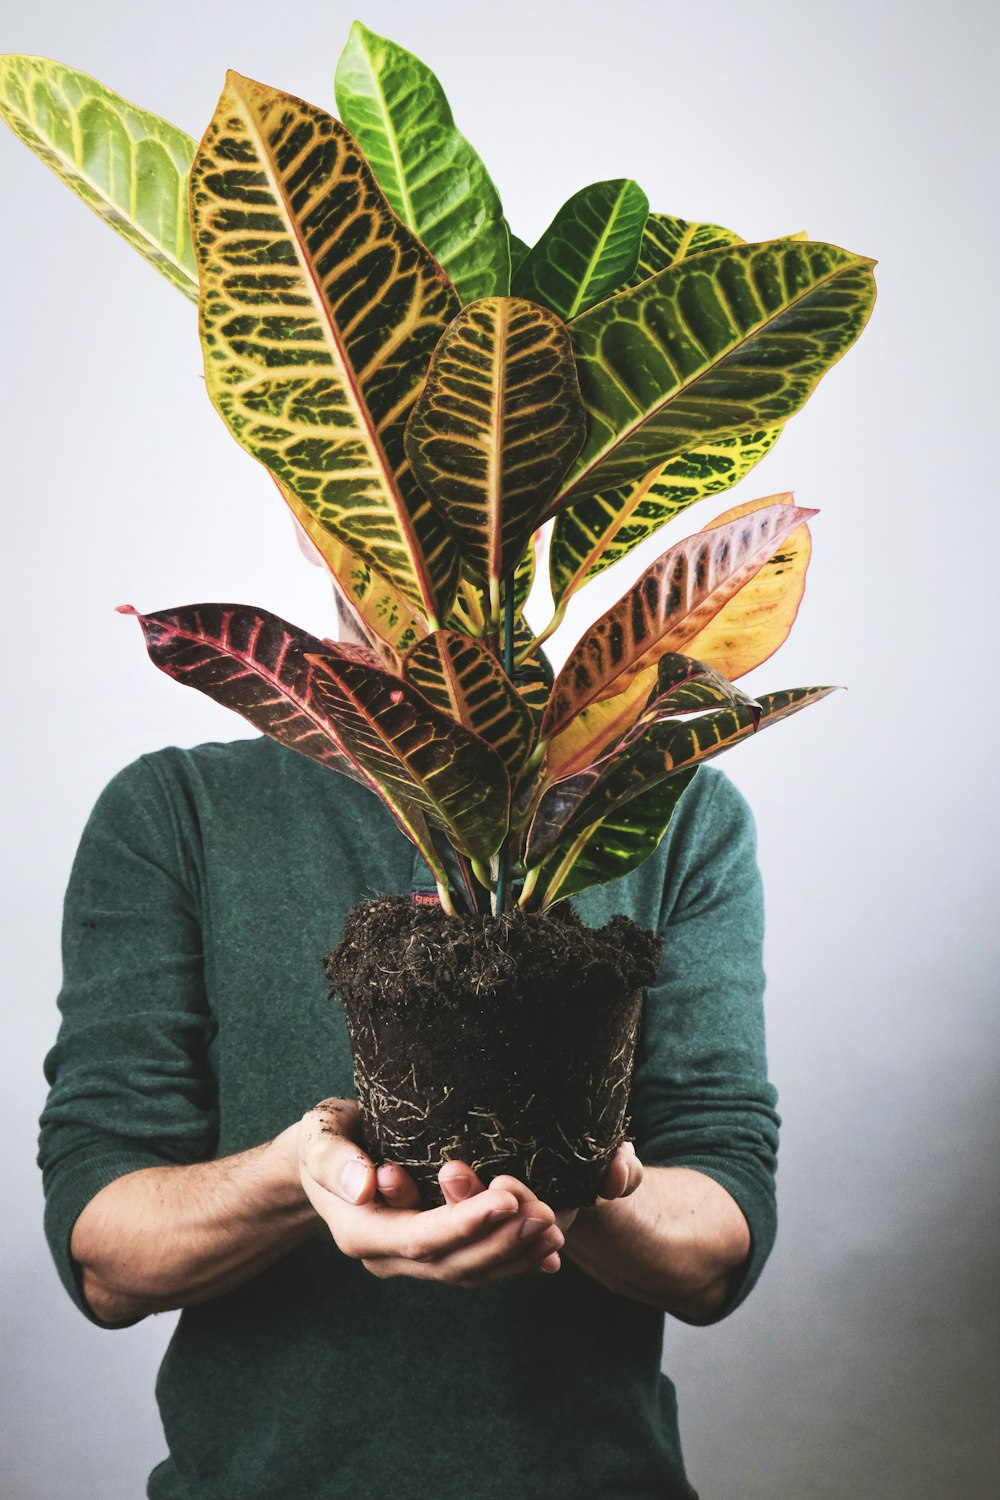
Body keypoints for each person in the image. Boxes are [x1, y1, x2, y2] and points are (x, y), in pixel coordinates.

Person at [38, 596, 780, 1500]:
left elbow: (721, 1240)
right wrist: (301, 1174)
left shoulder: (671, 805)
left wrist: (573, 1186)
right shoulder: (177, 810)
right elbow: (104, 1257)